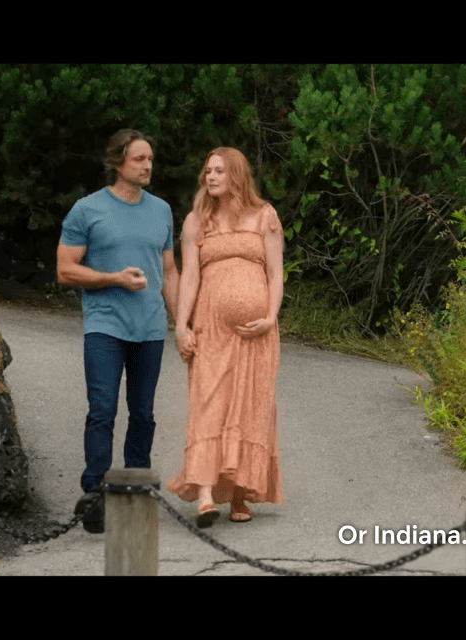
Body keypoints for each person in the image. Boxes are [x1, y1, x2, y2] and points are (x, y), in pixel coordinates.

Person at [57, 129, 178, 533]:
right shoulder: (87, 210)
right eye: (139, 159)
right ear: (117, 162)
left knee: (143, 413)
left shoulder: (161, 210)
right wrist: (114, 278)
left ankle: (136, 490)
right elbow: (65, 270)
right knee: (103, 409)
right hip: (104, 326)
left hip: (150, 328)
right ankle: (94, 496)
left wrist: (181, 322)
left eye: (150, 159)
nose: (147, 166)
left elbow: (170, 270)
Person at [166, 146, 283, 528]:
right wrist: (181, 325)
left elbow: (275, 274)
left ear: (236, 175)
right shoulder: (196, 221)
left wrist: (270, 317)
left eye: (218, 170)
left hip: (256, 334)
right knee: (208, 404)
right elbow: (190, 277)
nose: (210, 177)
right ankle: (204, 496)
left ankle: (239, 494)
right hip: (210, 329)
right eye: (208, 171)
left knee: (249, 407)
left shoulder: (265, 216)